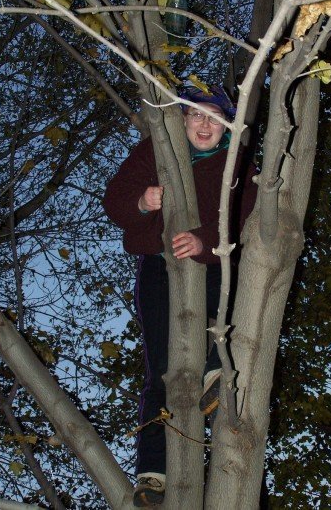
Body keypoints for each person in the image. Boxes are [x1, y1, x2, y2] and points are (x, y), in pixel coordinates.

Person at [103, 86, 257, 507]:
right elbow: (114, 201)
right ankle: (153, 472)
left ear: (226, 126)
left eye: (214, 117)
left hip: (213, 261)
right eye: (196, 116)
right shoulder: (152, 153)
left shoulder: (235, 165)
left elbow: (246, 215)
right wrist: (143, 200)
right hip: (158, 264)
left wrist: (205, 241)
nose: (205, 125)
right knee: (161, 370)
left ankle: (214, 369)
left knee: (221, 312)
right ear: (180, 121)